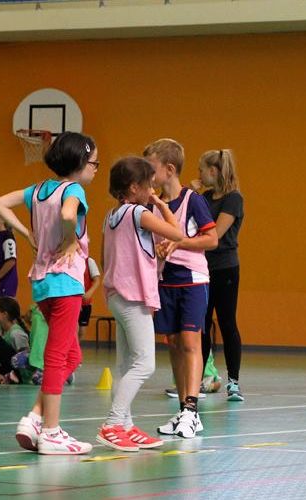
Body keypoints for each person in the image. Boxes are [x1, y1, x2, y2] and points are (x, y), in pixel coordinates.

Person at [0, 131, 98, 455]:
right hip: (65, 283)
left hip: (41, 283)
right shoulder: (74, 190)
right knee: (56, 356)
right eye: (95, 162)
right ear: (80, 163)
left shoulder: (38, 190)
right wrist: (69, 239)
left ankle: (36, 417)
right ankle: (51, 431)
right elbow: (68, 214)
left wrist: (26, 232)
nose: (96, 168)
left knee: (72, 356)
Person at [96, 156, 183, 451]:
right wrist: (162, 206)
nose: (152, 190)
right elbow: (178, 234)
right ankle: (112, 423)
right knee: (145, 363)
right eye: (149, 186)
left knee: (125, 365)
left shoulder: (111, 215)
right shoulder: (138, 213)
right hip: (134, 296)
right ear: (134, 187)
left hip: (116, 295)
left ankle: (126, 427)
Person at [145, 139, 218, 439]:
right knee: (173, 343)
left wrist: (179, 242)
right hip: (165, 280)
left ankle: (192, 408)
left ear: (169, 169)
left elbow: (211, 240)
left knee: (191, 342)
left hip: (192, 279)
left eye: (152, 169)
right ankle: (183, 410)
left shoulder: (193, 200)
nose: (148, 176)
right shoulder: (152, 205)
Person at [193, 149, 245, 401]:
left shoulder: (233, 199)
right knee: (201, 324)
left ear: (213, 171)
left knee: (227, 322)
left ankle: (233, 381)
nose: (199, 175)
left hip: (225, 268)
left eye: (201, 170)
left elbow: (215, 233)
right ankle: (201, 377)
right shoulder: (203, 197)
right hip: (202, 269)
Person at [80, 256, 102, 329]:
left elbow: (97, 280)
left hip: (85, 302)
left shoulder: (89, 261)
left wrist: (89, 293)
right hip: (72, 300)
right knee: (73, 330)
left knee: (81, 331)